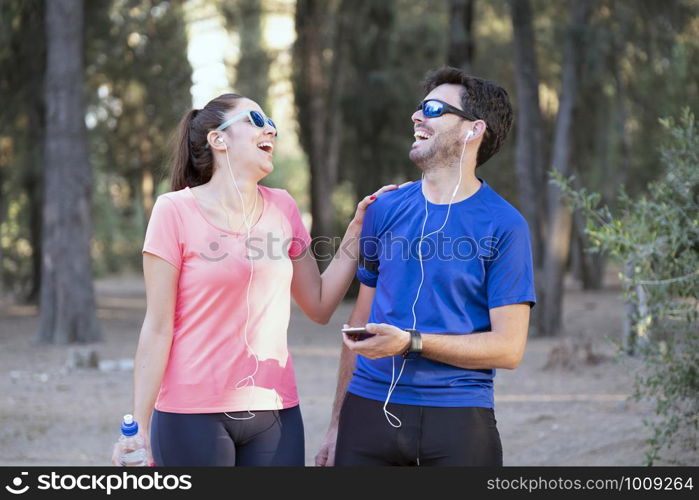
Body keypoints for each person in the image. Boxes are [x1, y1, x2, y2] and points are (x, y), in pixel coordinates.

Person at [111, 93, 398, 467]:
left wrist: (356, 230)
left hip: (275, 412)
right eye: (256, 120)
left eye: (271, 124)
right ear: (219, 139)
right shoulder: (173, 210)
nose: (271, 129)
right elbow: (157, 328)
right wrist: (140, 428)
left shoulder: (283, 206)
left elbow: (320, 303)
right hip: (191, 413)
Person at [316, 66, 536, 467]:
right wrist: (336, 423)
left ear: (474, 130)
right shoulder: (381, 209)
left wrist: (411, 342)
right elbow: (360, 320)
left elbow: (509, 348)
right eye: (420, 108)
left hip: (458, 421)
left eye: (434, 108)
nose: (417, 116)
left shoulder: (506, 225)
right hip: (366, 412)